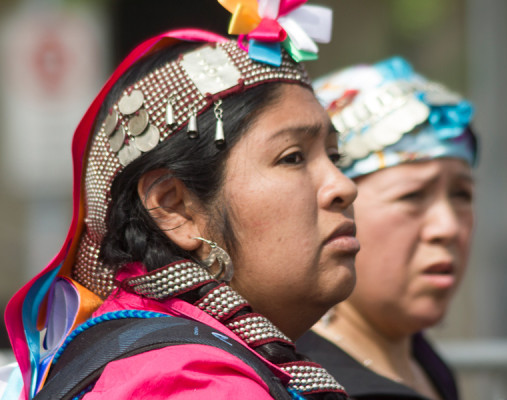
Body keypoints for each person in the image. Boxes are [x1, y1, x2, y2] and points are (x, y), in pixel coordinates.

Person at [4, 4, 360, 398]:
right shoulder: (192, 383)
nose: (343, 186)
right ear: (174, 207)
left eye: (335, 156)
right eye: (292, 157)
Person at [296, 57, 477, 400]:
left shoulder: (422, 361)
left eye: (462, 194)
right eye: (412, 195)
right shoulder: (309, 382)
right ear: (334, 203)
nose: (448, 227)